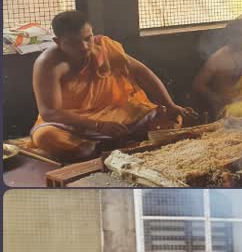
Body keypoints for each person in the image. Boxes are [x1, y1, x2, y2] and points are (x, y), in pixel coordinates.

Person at [30, 11, 197, 162]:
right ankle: (113, 143)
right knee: (46, 137)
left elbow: (142, 72)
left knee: (171, 118)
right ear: (57, 42)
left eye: (87, 38)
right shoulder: (48, 64)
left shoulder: (103, 48)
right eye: (74, 43)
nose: (84, 47)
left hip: (113, 111)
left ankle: (106, 145)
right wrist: (98, 126)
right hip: (72, 121)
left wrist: (170, 105)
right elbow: (50, 112)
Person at [192, 20, 242, 119]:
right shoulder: (218, 59)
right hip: (232, 105)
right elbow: (198, 84)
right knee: (240, 113)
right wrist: (216, 98)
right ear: (231, 38)